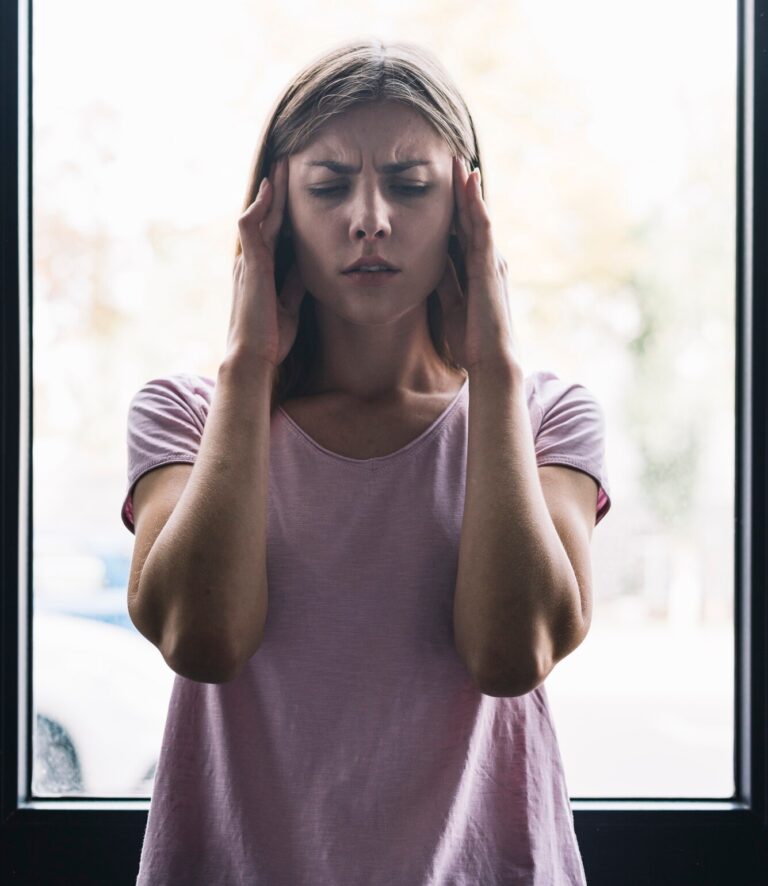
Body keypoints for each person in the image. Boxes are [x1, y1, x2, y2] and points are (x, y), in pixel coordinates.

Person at [121, 38, 612, 886]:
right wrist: (248, 366)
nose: (371, 218)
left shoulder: (544, 418)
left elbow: (511, 654)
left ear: (468, 214)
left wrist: (493, 370)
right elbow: (202, 641)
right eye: (329, 184)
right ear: (273, 214)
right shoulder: (187, 415)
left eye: (412, 184)